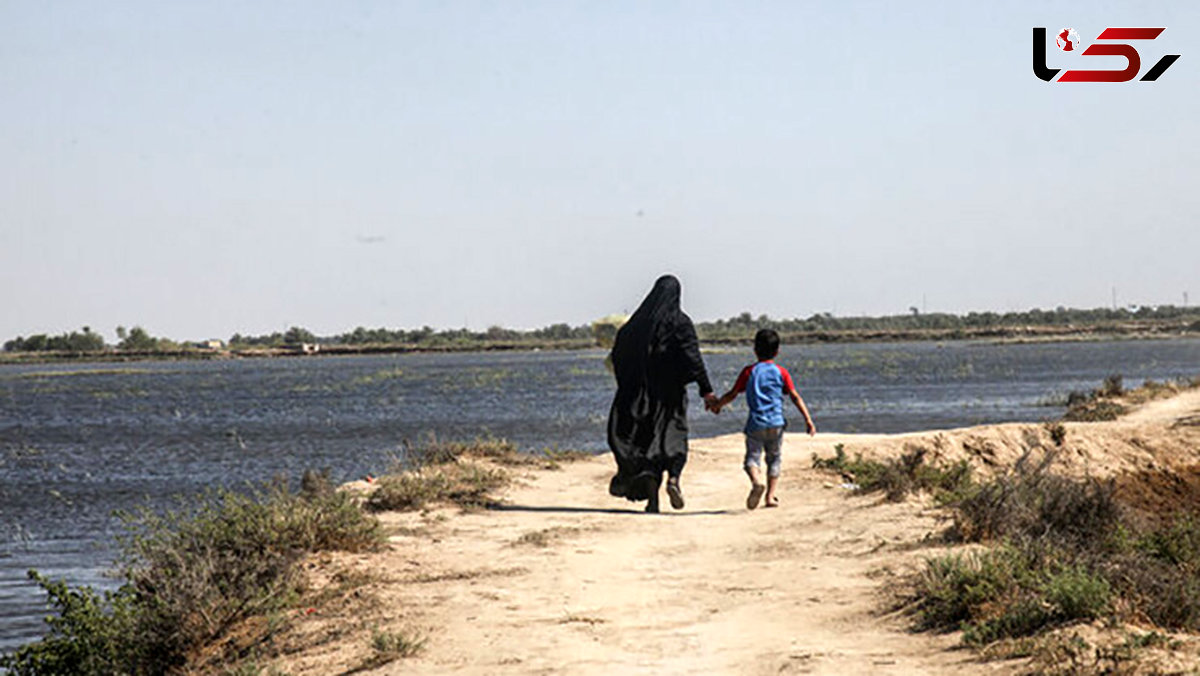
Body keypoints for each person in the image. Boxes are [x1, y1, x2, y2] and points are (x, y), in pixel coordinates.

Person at [607, 275, 718, 513]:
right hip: (672, 396)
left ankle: (653, 501)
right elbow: (693, 357)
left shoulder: (634, 326)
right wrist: (706, 390)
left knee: (648, 445)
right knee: (673, 437)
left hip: (640, 397)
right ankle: (674, 478)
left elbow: (618, 356)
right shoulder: (680, 323)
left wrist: (626, 385)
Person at [711, 328, 816, 509]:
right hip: (777, 423)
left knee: (752, 458)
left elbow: (732, 394)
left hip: (755, 424)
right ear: (777, 352)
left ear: (755, 350)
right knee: (774, 459)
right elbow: (794, 396)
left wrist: (717, 405)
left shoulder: (749, 372)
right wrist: (808, 419)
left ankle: (755, 482)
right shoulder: (781, 372)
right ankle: (770, 496)